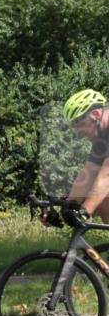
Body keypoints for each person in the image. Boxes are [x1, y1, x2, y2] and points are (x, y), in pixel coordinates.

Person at [59, 89, 109, 223]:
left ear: (96, 114)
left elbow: (107, 176)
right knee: (101, 196)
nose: (78, 131)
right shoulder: (101, 136)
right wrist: (64, 212)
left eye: (79, 124)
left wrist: (84, 212)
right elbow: (89, 173)